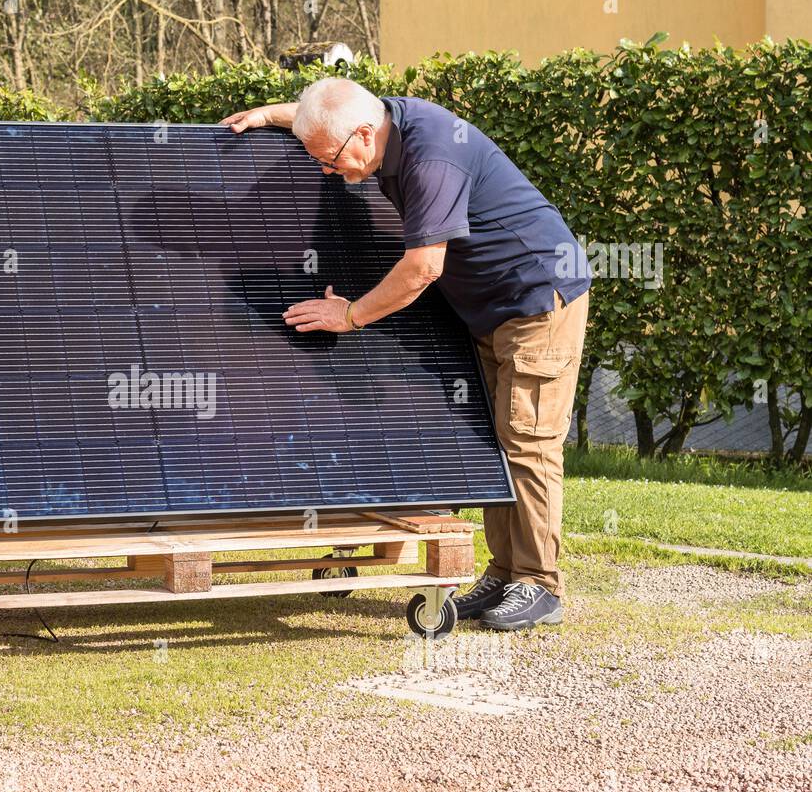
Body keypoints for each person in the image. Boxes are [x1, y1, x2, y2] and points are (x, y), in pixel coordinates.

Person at [221, 78, 591, 631]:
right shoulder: (374, 122)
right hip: (489, 308)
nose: (326, 170)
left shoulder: (432, 156)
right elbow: (332, 111)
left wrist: (349, 316)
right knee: (498, 439)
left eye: (330, 158)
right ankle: (504, 572)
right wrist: (272, 114)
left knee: (528, 441)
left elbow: (423, 267)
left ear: (365, 137)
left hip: (535, 299)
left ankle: (540, 584)